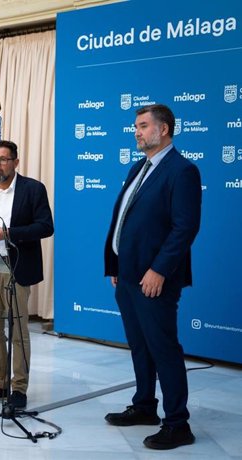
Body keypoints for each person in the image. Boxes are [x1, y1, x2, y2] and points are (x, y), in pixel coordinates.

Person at [104, 104, 201, 450]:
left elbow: (184, 228)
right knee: (140, 346)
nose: (137, 132)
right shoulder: (138, 168)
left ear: (163, 130)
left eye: (143, 126)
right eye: (136, 126)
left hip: (155, 279)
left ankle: (178, 424)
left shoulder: (182, 170)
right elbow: (126, 219)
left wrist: (159, 269)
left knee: (164, 349)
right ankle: (145, 405)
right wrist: (115, 265)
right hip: (127, 277)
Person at [0, 139, 54, 409]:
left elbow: (45, 226)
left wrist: (9, 234)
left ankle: (19, 388)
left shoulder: (32, 189)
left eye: (3, 160)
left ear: (15, 162)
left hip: (16, 266)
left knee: (18, 330)